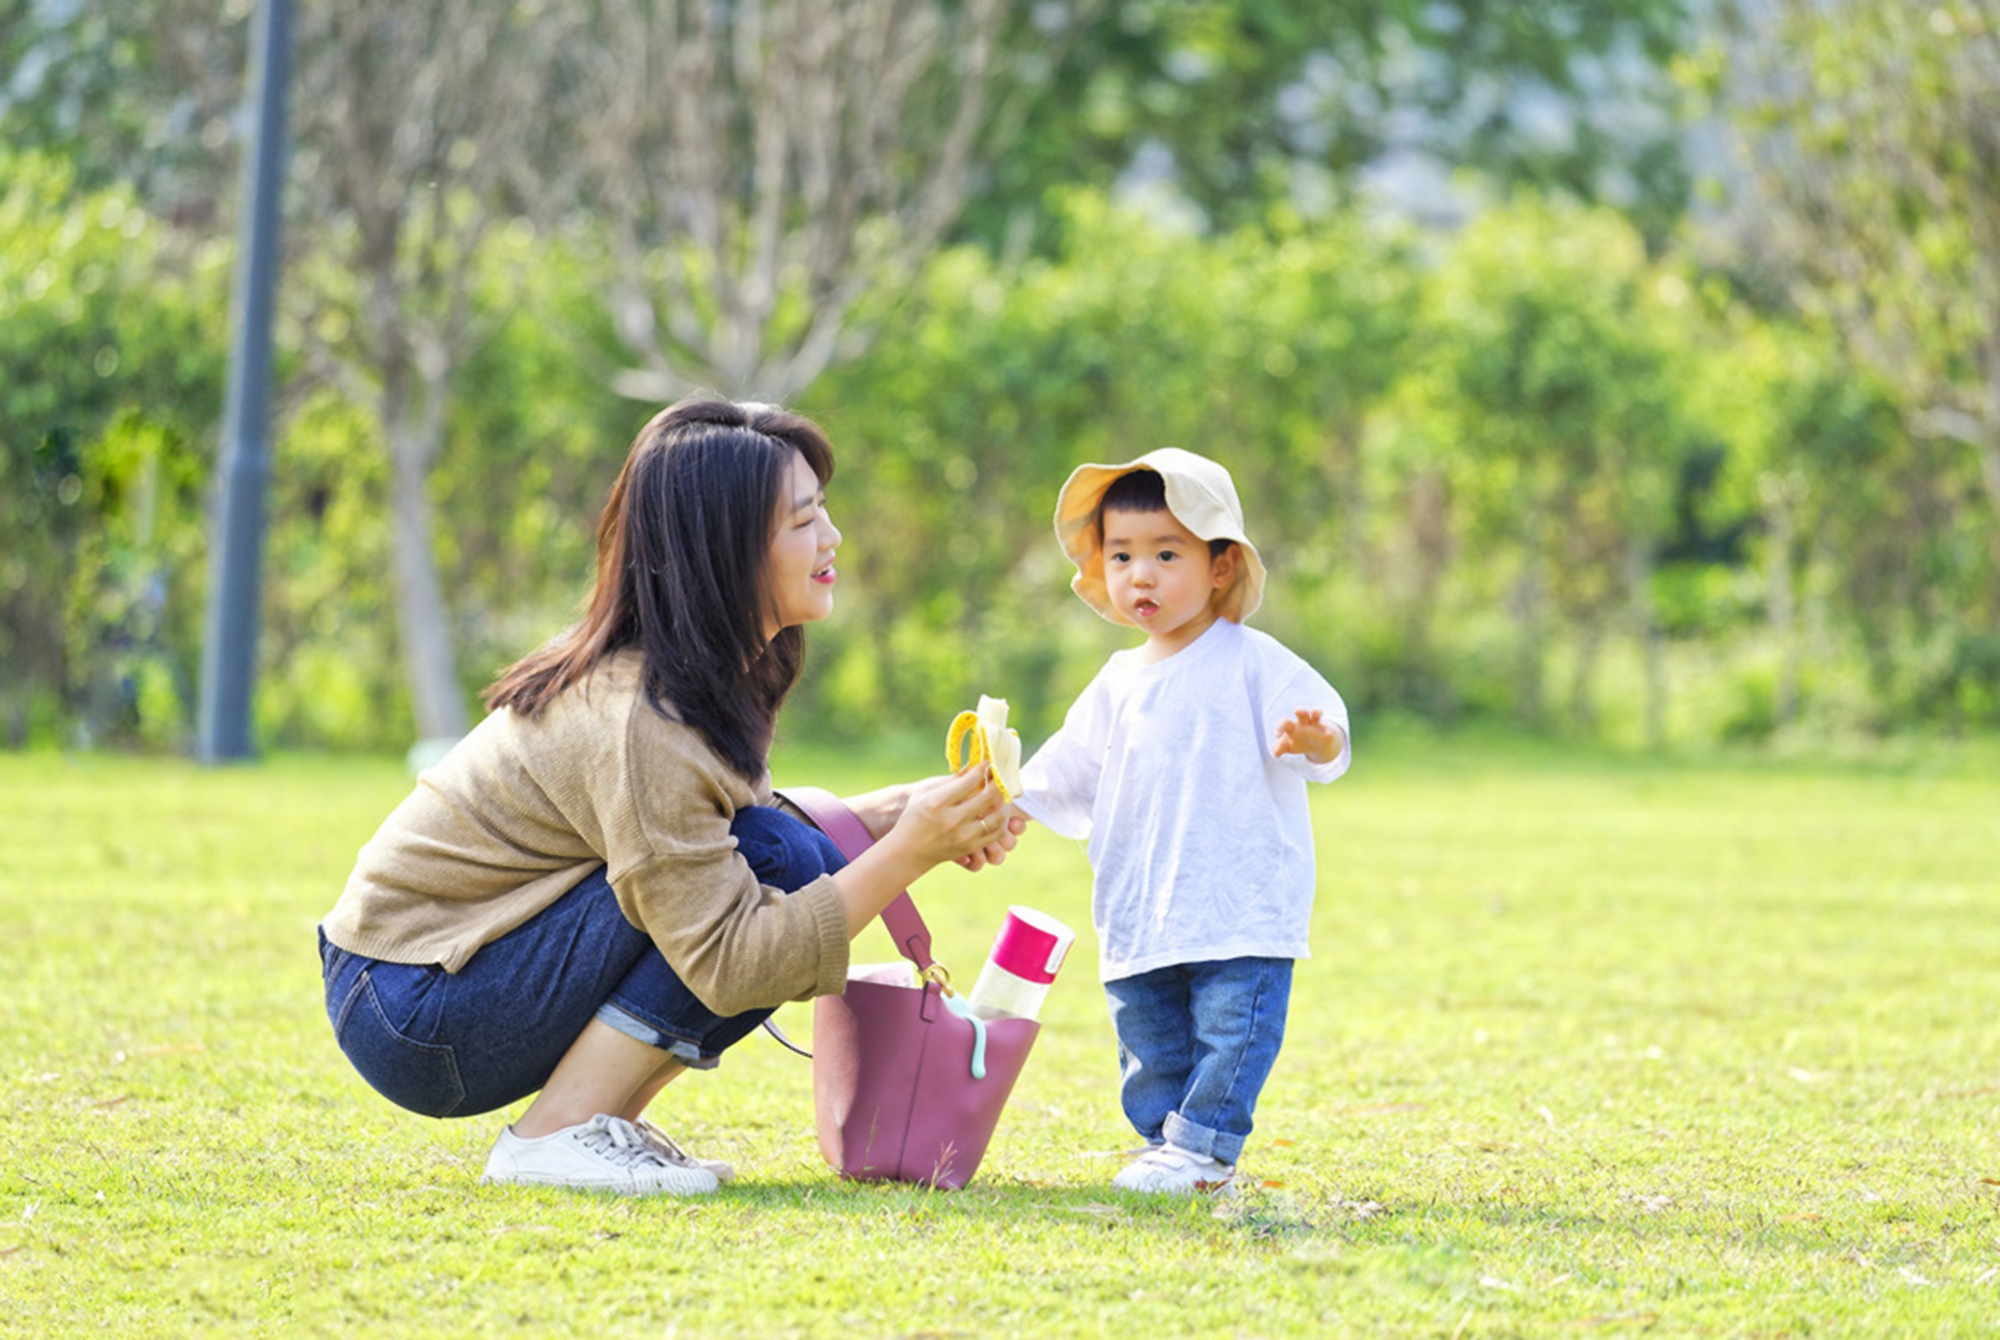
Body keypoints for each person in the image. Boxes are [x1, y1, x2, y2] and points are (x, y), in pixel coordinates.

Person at [317, 396, 1018, 1196]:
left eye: (823, 510)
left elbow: (713, 838)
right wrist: (908, 850)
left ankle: (598, 1124)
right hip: (413, 1008)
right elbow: (729, 955)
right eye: (801, 522)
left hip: (444, 977)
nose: (832, 538)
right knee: (782, 865)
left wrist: (890, 815)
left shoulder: (702, 675)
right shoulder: (638, 720)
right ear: (723, 553)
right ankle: (556, 1135)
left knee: (794, 854)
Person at [1008, 448, 1350, 1194]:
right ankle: (1166, 1143)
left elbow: (1327, 726)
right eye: (1123, 555)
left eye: (1167, 554)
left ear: (1221, 567)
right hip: (1144, 897)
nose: (1143, 575)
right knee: (1150, 1035)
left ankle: (1205, 1149)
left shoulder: (1253, 661)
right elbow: (1066, 769)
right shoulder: (1117, 683)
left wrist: (1318, 739)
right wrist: (1009, 800)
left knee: (1234, 1027)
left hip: (1240, 900)